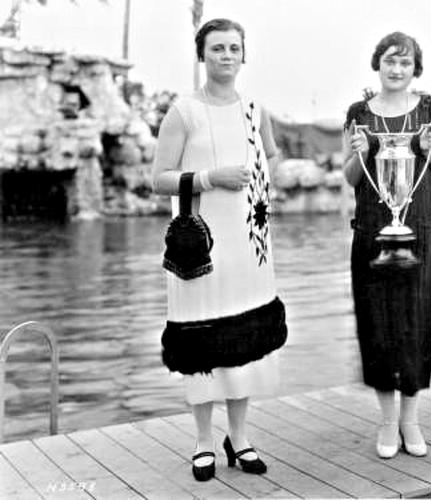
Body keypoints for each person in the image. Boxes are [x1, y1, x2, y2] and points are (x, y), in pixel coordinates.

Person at [152, 18, 284, 481]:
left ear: (243, 54)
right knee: (203, 343)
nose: (227, 55)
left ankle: (240, 436)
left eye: (234, 48)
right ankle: (204, 441)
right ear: (201, 55)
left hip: (250, 245)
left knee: (244, 340)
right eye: (217, 48)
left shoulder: (255, 109)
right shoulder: (183, 111)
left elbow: (272, 156)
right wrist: (210, 178)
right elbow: (159, 179)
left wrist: (276, 176)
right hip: (201, 249)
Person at [342, 31, 431, 459]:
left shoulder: (427, 110)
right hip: (373, 232)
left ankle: (411, 419)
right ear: (378, 64)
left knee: (418, 325)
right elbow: (350, 178)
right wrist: (358, 152)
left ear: (414, 69)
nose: (396, 69)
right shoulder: (357, 113)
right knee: (379, 326)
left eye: (405, 63)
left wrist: (429, 147)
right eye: (390, 60)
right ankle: (387, 422)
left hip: (422, 230)